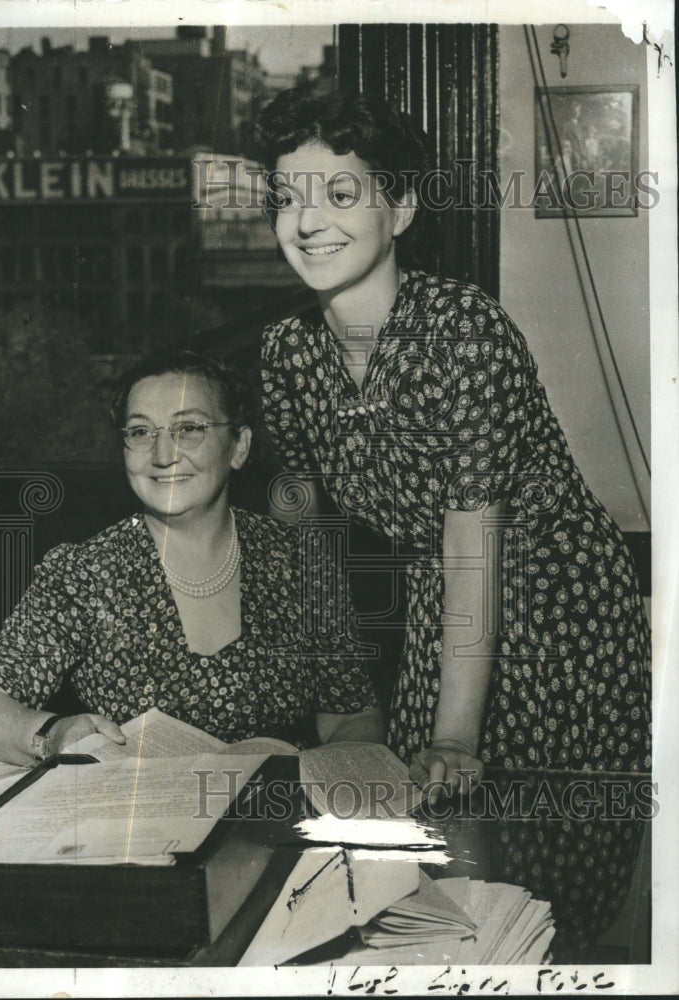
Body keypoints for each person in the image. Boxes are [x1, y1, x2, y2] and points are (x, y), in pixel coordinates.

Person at [250, 90, 651, 797]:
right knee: (422, 831)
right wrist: (335, 695)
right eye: (287, 198)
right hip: (445, 604)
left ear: (399, 209)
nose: (307, 222)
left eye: (340, 194)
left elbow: (473, 535)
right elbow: (301, 533)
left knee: (539, 833)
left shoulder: (464, 331)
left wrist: (455, 735)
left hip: (558, 605)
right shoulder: (286, 351)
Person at [0, 350, 383, 765]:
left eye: (189, 428)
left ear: (239, 446)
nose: (161, 455)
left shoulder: (301, 564)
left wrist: (334, 772)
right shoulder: (83, 574)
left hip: (276, 821)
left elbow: (350, 715)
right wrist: (49, 735)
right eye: (140, 432)